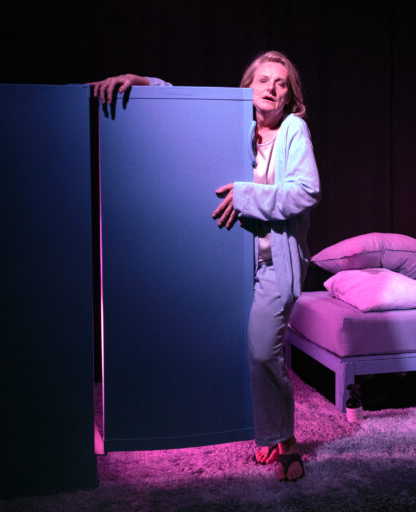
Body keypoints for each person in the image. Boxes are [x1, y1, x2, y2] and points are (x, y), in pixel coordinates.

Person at [91, 50, 321, 481]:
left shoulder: (293, 129)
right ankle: (262, 431)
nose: (272, 88)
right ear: (247, 87)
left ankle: (285, 439)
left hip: (274, 263)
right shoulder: (233, 123)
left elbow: (306, 190)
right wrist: (139, 80)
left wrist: (246, 194)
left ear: (290, 96)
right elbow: (188, 109)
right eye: (263, 80)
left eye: (281, 83)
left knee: (262, 350)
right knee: (225, 348)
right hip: (226, 261)